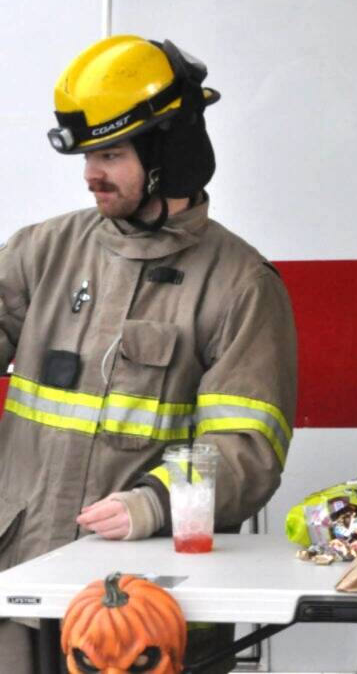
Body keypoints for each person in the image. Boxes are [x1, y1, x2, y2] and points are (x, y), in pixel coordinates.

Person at [0, 35, 297, 674]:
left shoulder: (242, 285)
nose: (89, 175)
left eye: (108, 153)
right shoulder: (43, 252)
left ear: (169, 152)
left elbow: (247, 447)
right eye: (87, 155)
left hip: (147, 608)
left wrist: (156, 504)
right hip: (21, 587)